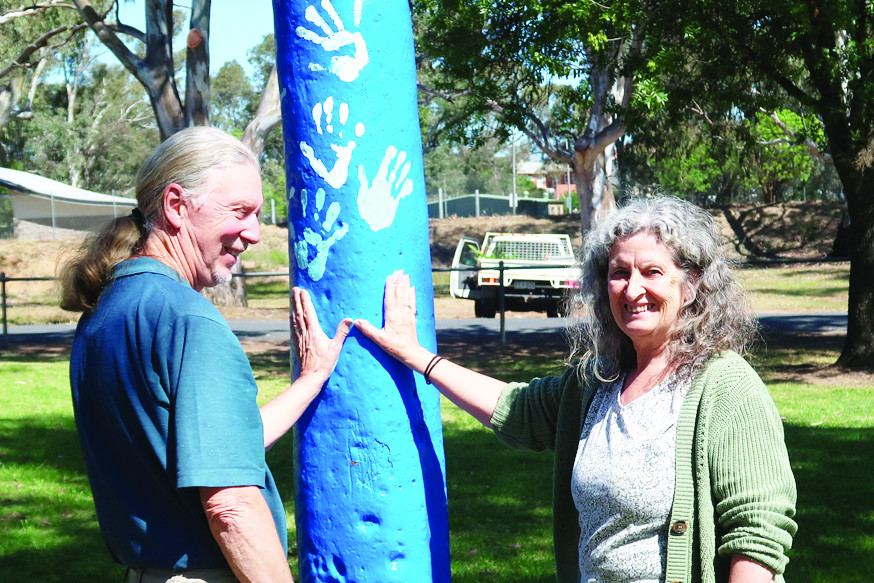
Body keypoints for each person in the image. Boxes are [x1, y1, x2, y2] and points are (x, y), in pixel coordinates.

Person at [355, 196, 797, 583]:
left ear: (692, 283)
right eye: (620, 272)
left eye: (653, 272)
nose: (633, 289)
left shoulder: (727, 387)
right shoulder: (595, 383)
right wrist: (417, 357)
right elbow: (516, 410)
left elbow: (757, 534)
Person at [60, 127, 351, 583]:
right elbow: (230, 504)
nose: (253, 232)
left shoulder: (106, 311)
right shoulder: (189, 319)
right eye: (240, 211)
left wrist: (309, 382)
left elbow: (218, 451)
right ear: (176, 206)